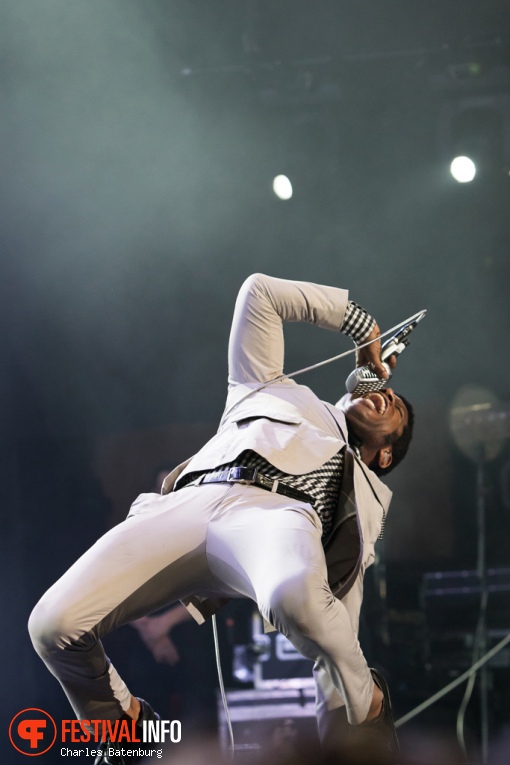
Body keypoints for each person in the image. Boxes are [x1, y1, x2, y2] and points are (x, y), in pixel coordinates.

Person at [29, 273, 414, 764]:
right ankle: (127, 729)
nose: (389, 397)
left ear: (384, 455)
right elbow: (260, 293)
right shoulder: (270, 388)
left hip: (277, 516)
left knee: (296, 599)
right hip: (188, 506)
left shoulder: (362, 491)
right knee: (52, 623)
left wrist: (347, 705)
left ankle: (372, 697)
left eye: (397, 411)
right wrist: (365, 331)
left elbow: (339, 609)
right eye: (387, 393)